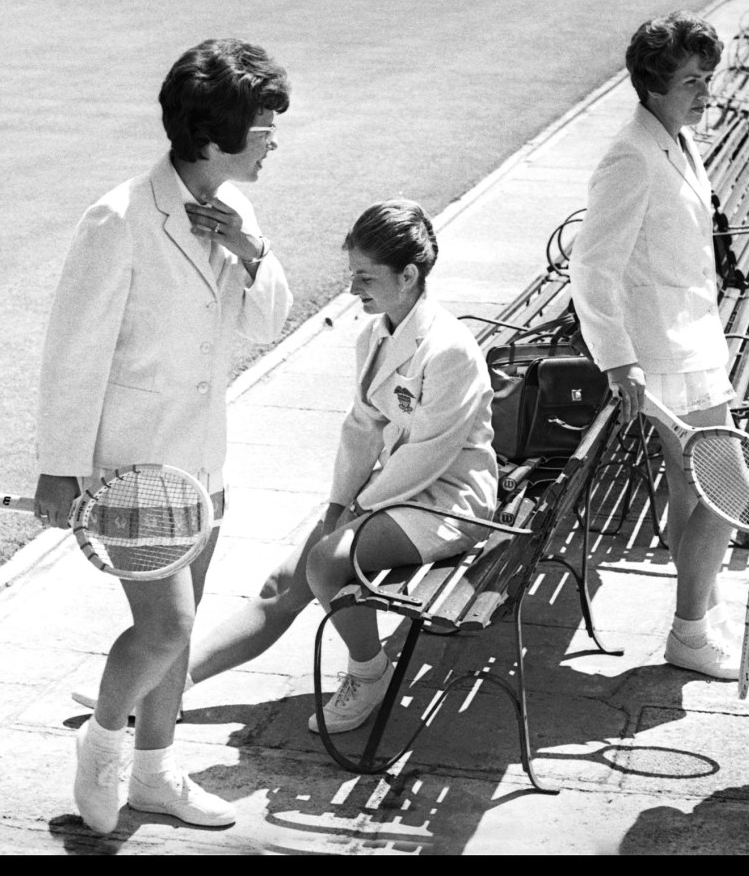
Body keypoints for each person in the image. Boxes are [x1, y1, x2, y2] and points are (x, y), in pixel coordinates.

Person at [76, 198, 498, 739]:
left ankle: (369, 673)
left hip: (448, 501)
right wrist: (336, 505)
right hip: (391, 494)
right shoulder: (375, 333)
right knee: (282, 583)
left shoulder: (450, 350)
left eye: (365, 277)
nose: (352, 290)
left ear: (409, 274)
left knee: (326, 562)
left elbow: (429, 457)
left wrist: (354, 515)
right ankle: (164, 686)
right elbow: (360, 428)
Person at [35, 38, 293, 832]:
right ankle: (102, 743)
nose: (275, 139)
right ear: (213, 136)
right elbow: (72, 352)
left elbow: (269, 319)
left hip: (203, 460)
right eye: (263, 126)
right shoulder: (117, 220)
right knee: (167, 626)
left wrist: (253, 253)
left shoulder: (235, 208)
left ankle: (156, 774)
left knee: (179, 635)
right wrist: (58, 468)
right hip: (134, 467)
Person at [569, 11, 749, 682]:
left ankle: (707, 619)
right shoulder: (630, 156)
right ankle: (691, 632)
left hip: (693, 344)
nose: (706, 92)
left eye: (708, 78)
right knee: (731, 486)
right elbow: (592, 266)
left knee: (697, 496)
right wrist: (617, 359)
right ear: (655, 85)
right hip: (662, 359)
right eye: (693, 80)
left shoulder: (676, 139)